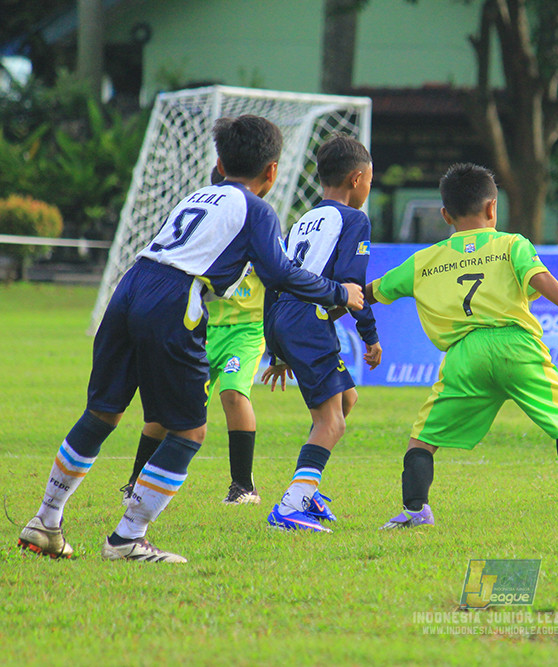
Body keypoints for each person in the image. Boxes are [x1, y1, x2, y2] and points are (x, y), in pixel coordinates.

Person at [16, 114, 364, 563]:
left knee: (103, 412)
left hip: (131, 285)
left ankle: (46, 520)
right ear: (272, 172)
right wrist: (339, 291)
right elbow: (279, 273)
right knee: (189, 429)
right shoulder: (256, 209)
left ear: (220, 164)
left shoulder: (197, 195)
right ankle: (127, 538)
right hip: (174, 297)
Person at [365, 163, 558, 529]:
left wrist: (326, 302)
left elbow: (368, 293)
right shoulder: (511, 244)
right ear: (493, 208)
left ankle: (416, 511)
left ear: (446, 215)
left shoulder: (424, 260)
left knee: (423, 441)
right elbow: (538, 278)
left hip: (466, 355)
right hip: (518, 346)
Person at [121, 167, 267, 507]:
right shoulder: (204, 234)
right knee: (166, 408)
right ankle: (135, 482)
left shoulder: (260, 227)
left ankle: (243, 486)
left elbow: (278, 278)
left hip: (244, 333)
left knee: (233, 393)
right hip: (201, 328)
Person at [261, 132, 382, 532]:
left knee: (346, 399)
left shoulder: (304, 220)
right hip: (308, 320)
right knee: (333, 422)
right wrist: (370, 337)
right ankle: (291, 505)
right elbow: (352, 288)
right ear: (357, 179)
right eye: (370, 180)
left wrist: (276, 348)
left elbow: (276, 280)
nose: (369, 187)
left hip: (284, 316)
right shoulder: (355, 219)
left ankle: (308, 495)